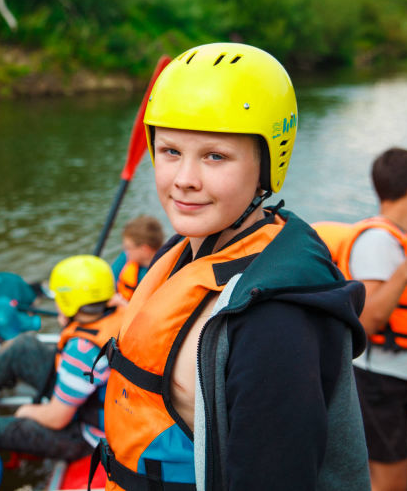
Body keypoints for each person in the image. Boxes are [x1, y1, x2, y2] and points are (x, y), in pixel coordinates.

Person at [97, 43, 370, 491]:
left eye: (215, 156)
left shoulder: (275, 321)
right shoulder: (184, 249)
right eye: (169, 151)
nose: (184, 178)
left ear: (266, 164)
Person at [0, 255, 125, 460]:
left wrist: (26, 411)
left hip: (89, 436)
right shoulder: (123, 313)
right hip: (94, 400)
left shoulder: (82, 350)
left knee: (17, 428)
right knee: (24, 347)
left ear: (66, 302)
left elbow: (57, 419)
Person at [328, 148, 407, 491]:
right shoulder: (379, 241)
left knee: (393, 473)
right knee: (388, 479)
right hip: (377, 379)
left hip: (391, 377)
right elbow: (369, 320)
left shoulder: (398, 239)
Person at [110, 214, 164, 306]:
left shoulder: (164, 276)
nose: (125, 250)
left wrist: (122, 304)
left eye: (128, 247)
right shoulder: (125, 258)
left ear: (145, 250)